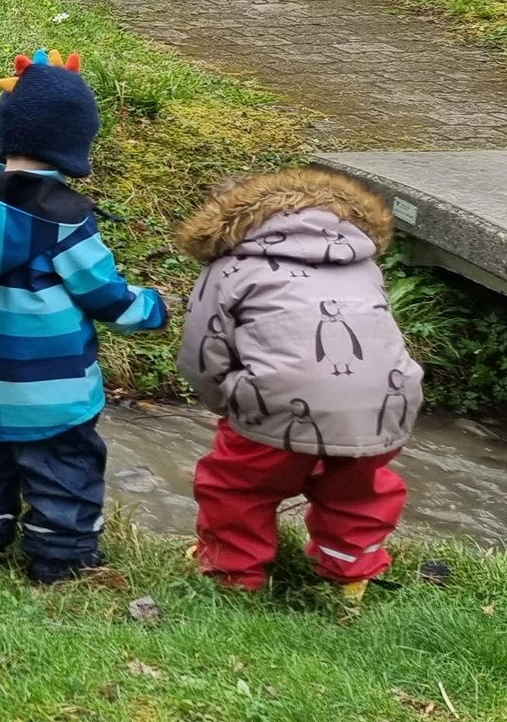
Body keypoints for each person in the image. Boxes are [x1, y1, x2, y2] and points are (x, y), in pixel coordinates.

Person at [0, 50, 168, 583]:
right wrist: (154, 307)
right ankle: (61, 561)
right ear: (73, 143)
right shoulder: (70, 222)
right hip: (53, 389)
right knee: (63, 470)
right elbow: (107, 300)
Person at [177, 169, 423, 608]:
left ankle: (233, 574)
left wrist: (228, 403)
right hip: (386, 399)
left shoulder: (230, 265)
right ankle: (349, 573)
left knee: (237, 486)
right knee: (358, 489)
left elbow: (202, 353)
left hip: (280, 397)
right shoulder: (361, 260)